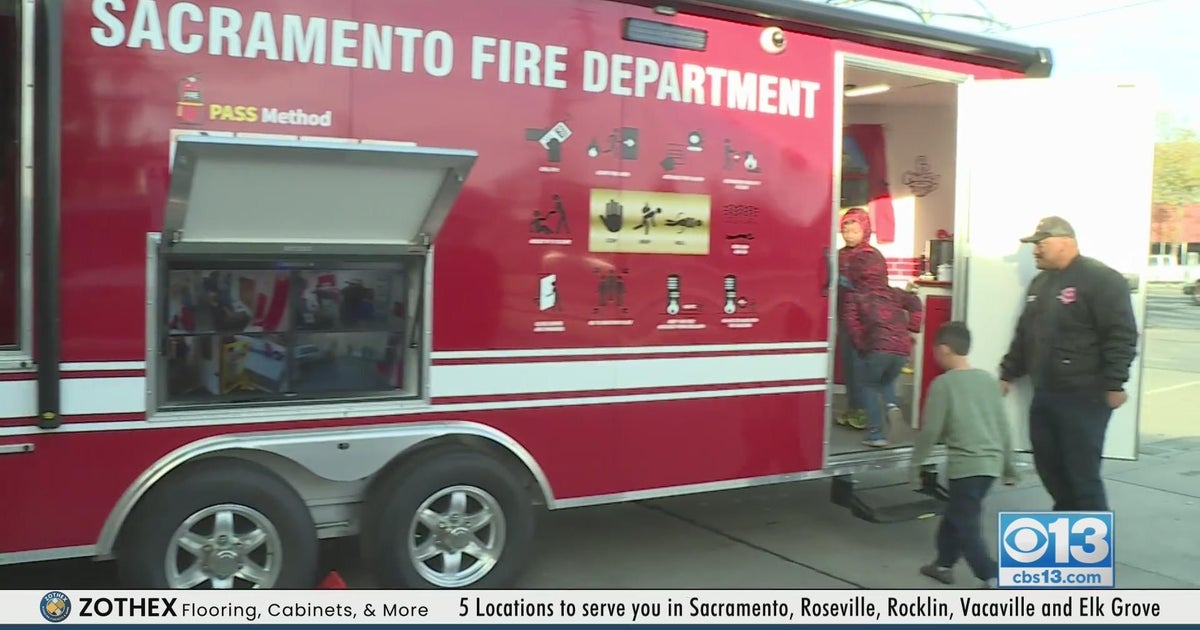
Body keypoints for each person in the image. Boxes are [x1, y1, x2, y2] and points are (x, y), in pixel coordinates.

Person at [999, 216, 1138, 512]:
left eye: (1041, 244)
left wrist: (1115, 383)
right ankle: (1066, 542)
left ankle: (1091, 552)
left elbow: (1121, 334)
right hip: (1046, 394)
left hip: (1085, 395)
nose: (1035, 250)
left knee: (1081, 476)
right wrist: (1007, 373)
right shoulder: (1040, 284)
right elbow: (1025, 334)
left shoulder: (1101, 279)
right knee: (1050, 469)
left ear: (1066, 242)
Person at [911, 321, 1019, 588]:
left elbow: (931, 430)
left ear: (945, 349)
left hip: (966, 466)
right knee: (956, 515)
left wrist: (916, 464)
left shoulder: (943, 385)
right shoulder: (987, 381)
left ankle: (991, 575)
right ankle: (943, 564)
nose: (935, 356)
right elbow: (1003, 426)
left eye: (936, 351)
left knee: (965, 523)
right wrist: (1010, 466)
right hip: (989, 466)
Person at [843, 261, 923, 447]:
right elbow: (915, 303)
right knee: (885, 383)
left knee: (868, 385)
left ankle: (875, 434)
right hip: (901, 349)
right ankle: (892, 407)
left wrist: (862, 346)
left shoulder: (855, 296)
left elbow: (851, 325)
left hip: (878, 347)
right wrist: (913, 328)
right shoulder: (894, 292)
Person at [835, 208, 894, 430]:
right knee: (848, 367)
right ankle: (854, 409)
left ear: (865, 229)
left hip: (868, 321)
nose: (849, 235)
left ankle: (869, 415)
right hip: (845, 320)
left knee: (862, 368)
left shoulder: (871, 256)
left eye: (854, 230)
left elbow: (875, 289)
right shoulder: (840, 254)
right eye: (845, 230)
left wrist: (852, 287)